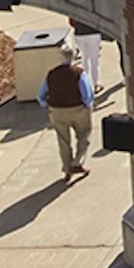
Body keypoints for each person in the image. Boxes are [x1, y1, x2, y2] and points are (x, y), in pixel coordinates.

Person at [39, 40, 94, 181]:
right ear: (74, 56)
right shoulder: (79, 73)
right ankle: (78, 162)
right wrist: (88, 106)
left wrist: (47, 105)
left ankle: (67, 168)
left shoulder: (51, 74)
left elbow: (41, 95)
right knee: (84, 137)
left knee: (63, 141)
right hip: (77, 109)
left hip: (57, 110)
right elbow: (87, 93)